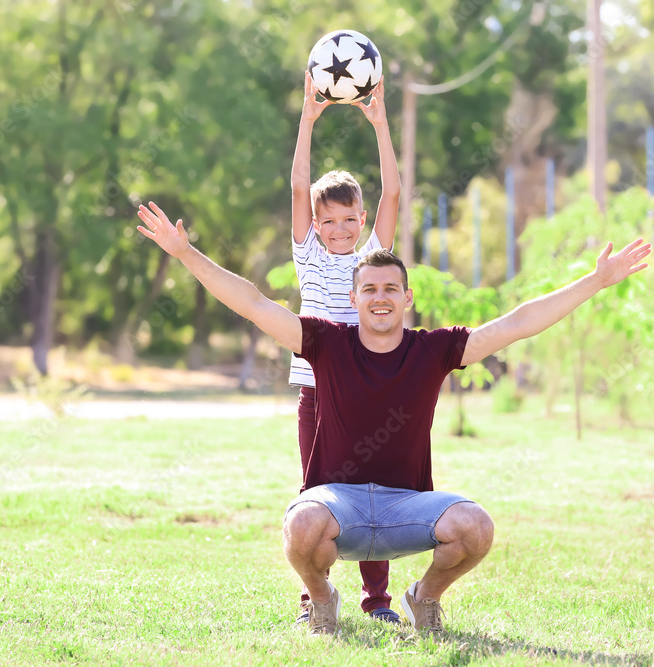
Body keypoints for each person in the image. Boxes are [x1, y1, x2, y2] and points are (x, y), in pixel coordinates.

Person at [135, 201, 651, 636]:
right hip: (340, 507)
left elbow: (517, 324)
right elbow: (252, 303)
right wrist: (186, 254)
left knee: (475, 526)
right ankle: (322, 601)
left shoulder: (434, 350)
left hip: (408, 507)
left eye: (390, 290)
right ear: (355, 299)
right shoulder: (325, 343)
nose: (380, 298)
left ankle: (422, 598)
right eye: (370, 290)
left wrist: (596, 282)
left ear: (407, 298)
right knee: (300, 523)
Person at [288, 71, 401, 624]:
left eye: (348, 219)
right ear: (315, 223)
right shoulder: (307, 255)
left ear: (362, 221)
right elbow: (297, 185)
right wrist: (307, 120)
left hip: (363, 395)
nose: (337, 228)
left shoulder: (370, 262)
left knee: (371, 492)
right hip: (315, 395)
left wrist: (380, 124)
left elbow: (394, 193)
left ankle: (377, 600)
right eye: (327, 220)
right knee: (317, 494)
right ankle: (315, 596)